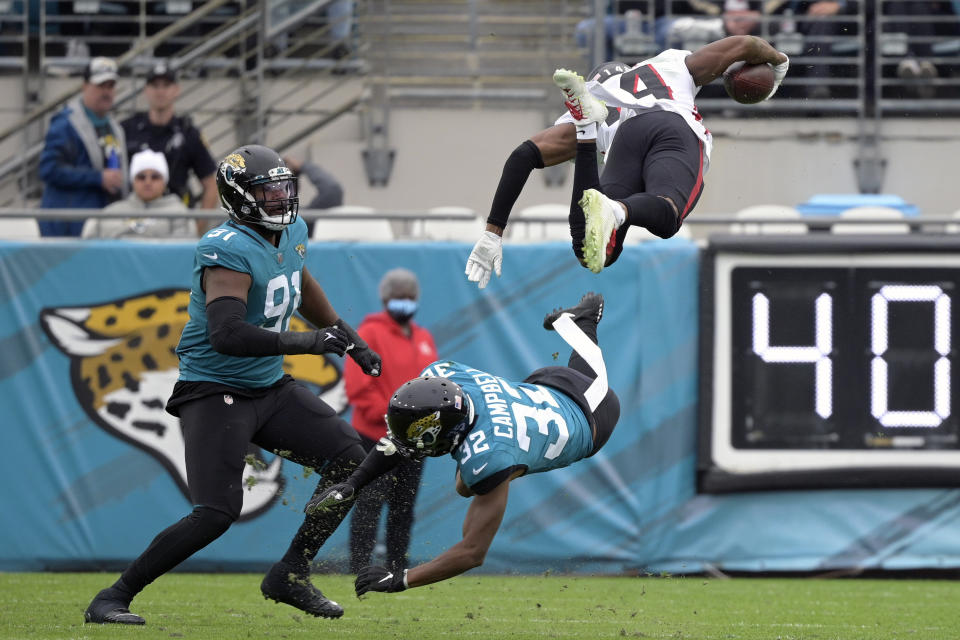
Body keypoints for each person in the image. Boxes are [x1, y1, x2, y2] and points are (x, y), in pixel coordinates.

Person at [83, 144, 383, 625]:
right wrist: (312, 343)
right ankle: (112, 597)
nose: (282, 198)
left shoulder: (290, 231)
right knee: (216, 512)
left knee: (352, 461)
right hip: (215, 388)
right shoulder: (226, 248)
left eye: (286, 187)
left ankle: (291, 572)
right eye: (270, 190)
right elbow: (227, 335)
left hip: (267, 387)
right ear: (241, 197)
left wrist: (350, 339)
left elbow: (300, 285)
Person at [305, 291, 620, 596]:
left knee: (468, 484)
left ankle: (584, 322)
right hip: (540, 391)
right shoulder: (449, 379)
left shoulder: (489, 455)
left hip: (589, 414)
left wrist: (402, 579)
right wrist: (354, 483)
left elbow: (472, 551)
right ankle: (579, 322)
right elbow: (406, 439)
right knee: (468, 482)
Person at [464, 35, 789, 284]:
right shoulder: (667, 66)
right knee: (666, 215)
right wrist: (778, 60)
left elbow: (523, 155)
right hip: (671, 124)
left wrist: (493, 231)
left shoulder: (601, 94)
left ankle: (586, 132)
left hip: (625, 140)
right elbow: (745, 44)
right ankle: (616, 207)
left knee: (590, 251)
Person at [343, 268, 438, 574]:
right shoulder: (369, 334)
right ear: (386, 299)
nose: (405, 302)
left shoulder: (423, 337)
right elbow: (358, 389)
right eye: (399, 297)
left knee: (404, 508)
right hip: (375, 437)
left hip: (414, 442)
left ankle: (398, 568)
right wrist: (394, 420)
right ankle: (360, 567)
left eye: (410, 297)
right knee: (369, 504)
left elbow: (435, 386)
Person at [38, 56, 128, 237]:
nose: (106, 92)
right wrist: (98, 178)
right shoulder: (65, 124)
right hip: (66, 226)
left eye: (110, 86)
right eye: (100, 85)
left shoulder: (114, 127)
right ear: (85, 86)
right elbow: (48, 169)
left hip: (101, 224)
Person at [121, 62, 218, 217]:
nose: (160, 91)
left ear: (176, 90)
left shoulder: (188, 133)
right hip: (133, 217)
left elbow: (211, 185)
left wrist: (198, 229)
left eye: (166, 85)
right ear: (146, 90)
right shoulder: (127, 129)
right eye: (155, 85)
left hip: (176, 220)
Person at [82, 149, 194, 239]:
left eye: (155, 177)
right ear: (133, 181)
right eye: (141, 177)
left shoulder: (180, 213)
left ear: (164, 182)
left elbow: (181, 256)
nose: (148, 182)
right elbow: (90, 253)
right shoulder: (108, 213)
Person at [283, 155, 344, 237]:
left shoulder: (301, 217)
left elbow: (332, 191)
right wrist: (302, 166)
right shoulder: (299, 218)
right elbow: (332, 191)